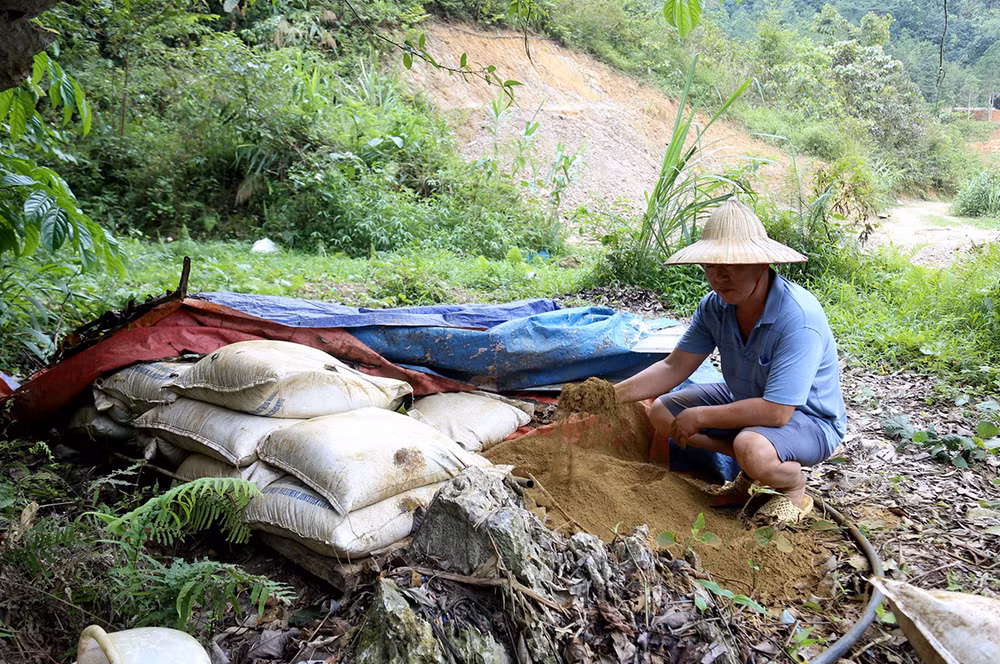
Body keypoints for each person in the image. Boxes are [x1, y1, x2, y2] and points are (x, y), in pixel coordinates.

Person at [614, 198, 846, 523]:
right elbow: (674, 367)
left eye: (733, 264)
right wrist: (610, 395)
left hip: (809, 419)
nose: (720, 276)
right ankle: (751, 474)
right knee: (662, 412)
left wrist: (702, 415)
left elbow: (778, 412)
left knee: (751, 446)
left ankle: (793, 485)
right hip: (747, 397)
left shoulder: (798, 317)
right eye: (711, 265)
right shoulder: (714, 307)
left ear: (762, 264)